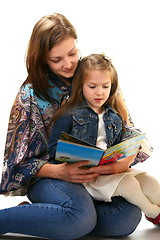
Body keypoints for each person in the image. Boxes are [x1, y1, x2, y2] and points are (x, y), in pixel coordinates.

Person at [0, 13, 152, 239]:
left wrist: (124, 161)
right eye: (56, 59)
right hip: (49, 177)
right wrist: (59, 171)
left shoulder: (95, 76)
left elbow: (128, 128)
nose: (68, 63)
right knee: (80, 218)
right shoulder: (30, 95)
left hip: (97, 178)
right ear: (42, 59)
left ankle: (49, 216)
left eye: (72, 53)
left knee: (125, 219)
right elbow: (16, 163)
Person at [48, 53, 160, 227]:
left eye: (105, 86)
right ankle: (154, 213)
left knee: (151, 182)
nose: (99, 92)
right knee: (129, 184)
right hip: (88, 177)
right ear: (81, 86)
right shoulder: (68, 114)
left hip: (110, 172)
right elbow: (53, 148)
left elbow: (120, 146)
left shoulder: (114, 116)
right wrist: (76, 155)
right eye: (92, 86)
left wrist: (122, 155)